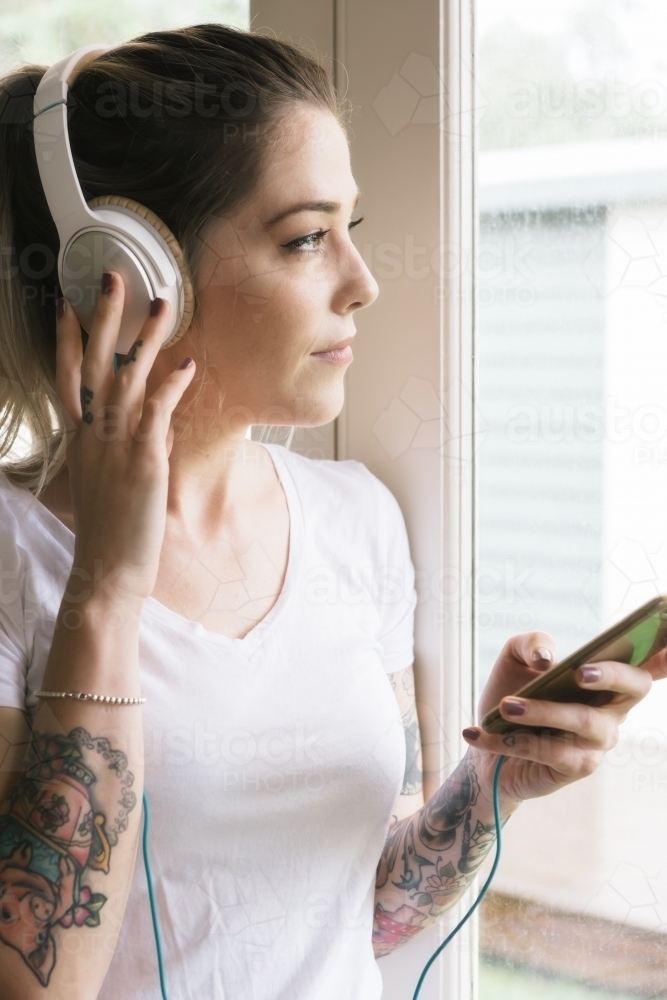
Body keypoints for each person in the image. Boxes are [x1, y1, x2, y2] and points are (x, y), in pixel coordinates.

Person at [0, 23, 662, 1000]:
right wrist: (104, 586)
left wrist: (493, 787)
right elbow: (35, 981)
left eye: (351, 228)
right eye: (307, 238)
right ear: (133, 274)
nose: (363, 281)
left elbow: (368, 907)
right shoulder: (17, 558)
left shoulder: (356, 520)